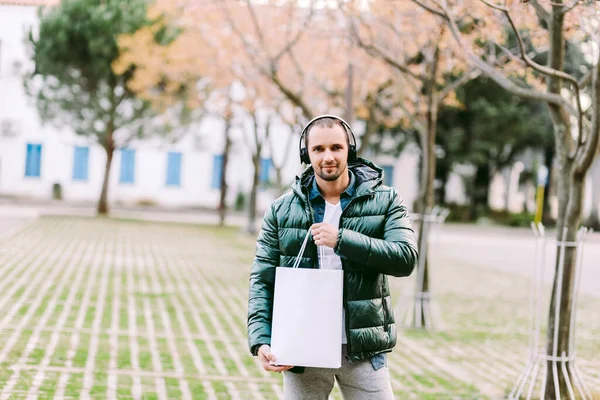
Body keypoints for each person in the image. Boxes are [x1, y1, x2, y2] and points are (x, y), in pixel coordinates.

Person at [247, 115, 418, 399]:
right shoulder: (281, 210)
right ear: (307, 154)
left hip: (362, 347)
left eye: (336, 147)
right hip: (301, 348)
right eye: (319, 149)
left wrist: (343, 239)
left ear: (349, 149)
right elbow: (262, 279)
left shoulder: (387, 200)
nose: (328, 157)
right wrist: (261, 340)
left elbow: (405, 258)